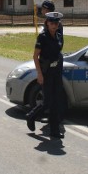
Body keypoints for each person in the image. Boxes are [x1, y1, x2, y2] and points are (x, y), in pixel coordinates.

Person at [26, 11, 65, 139]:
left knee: (56, 101)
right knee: (48, 101)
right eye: (52, 23)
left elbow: (58, 53)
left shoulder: (59, 35)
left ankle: (54, 130)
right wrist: (39, 74)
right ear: (47, 23)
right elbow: (35, 56)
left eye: (56, 23)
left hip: (56, 72)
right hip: (46, 73)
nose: (54, 25)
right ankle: (31, 115)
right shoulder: (42, 37)